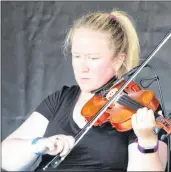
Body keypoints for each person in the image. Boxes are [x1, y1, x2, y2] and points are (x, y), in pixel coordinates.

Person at [2, 10, 168, 172]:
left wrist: (146, 140)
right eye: (77, 56)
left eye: (93, 58)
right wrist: (39, 144)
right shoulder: (61, 99)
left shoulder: (141, 110)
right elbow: (6, 159)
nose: (82, 67)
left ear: (118, 61)